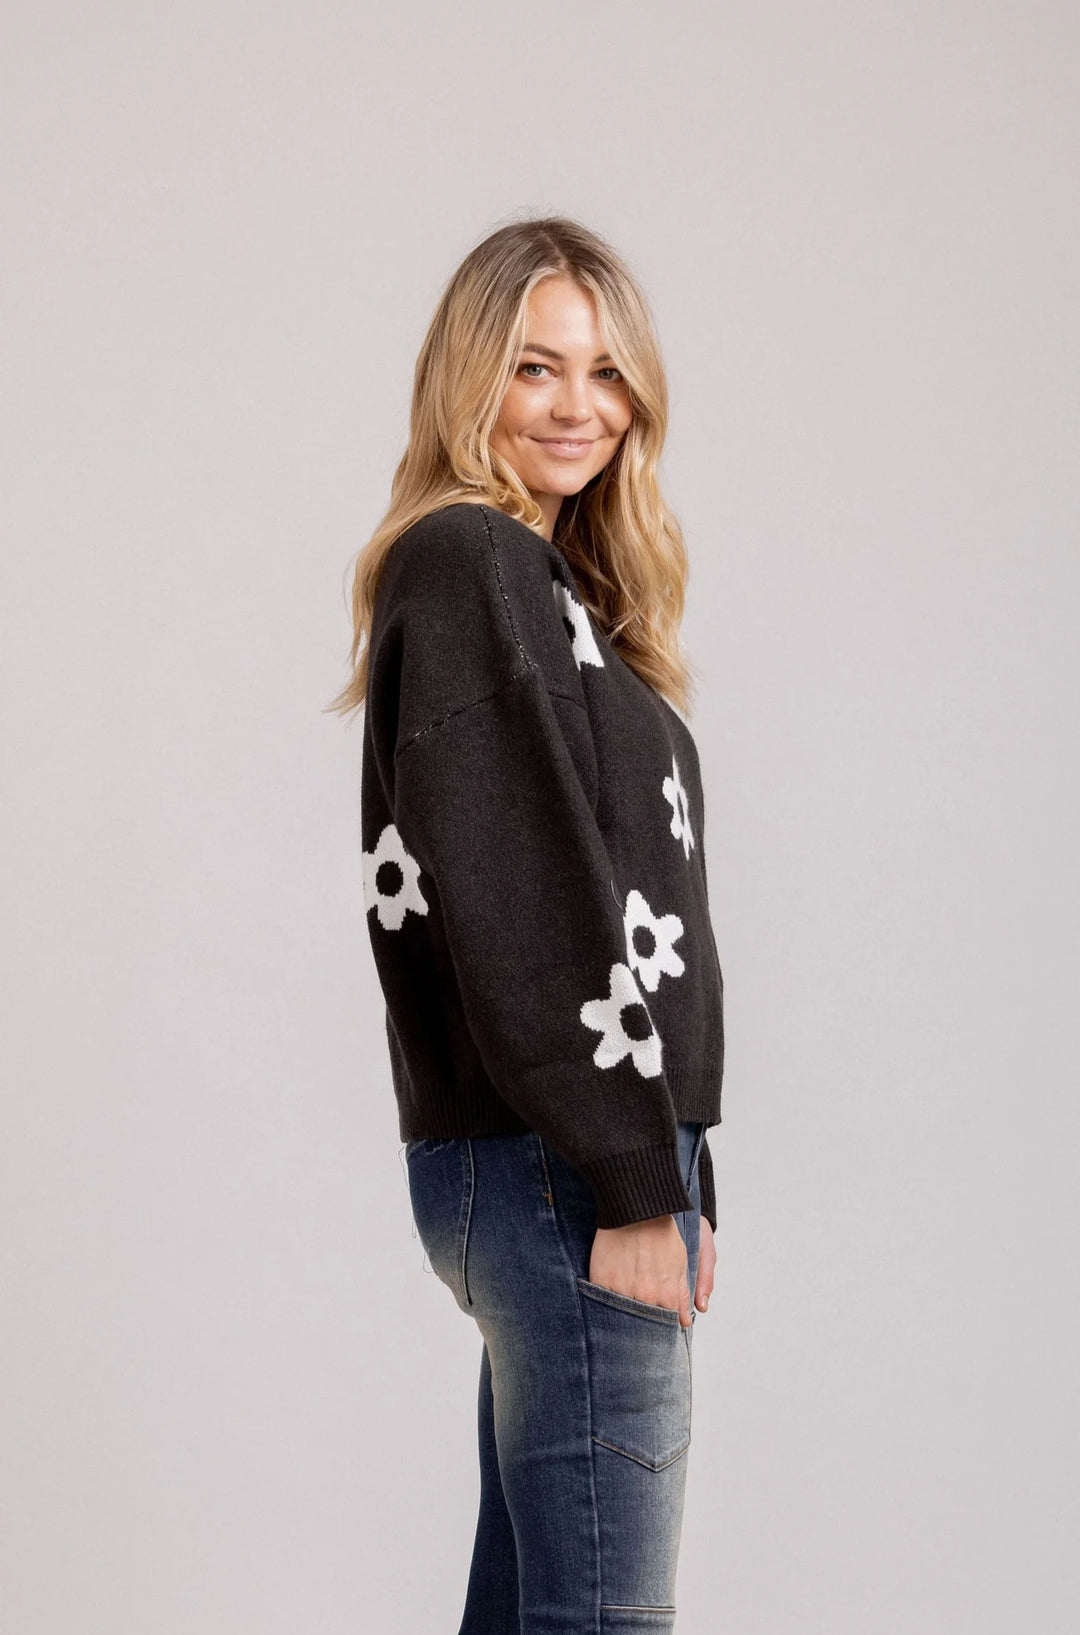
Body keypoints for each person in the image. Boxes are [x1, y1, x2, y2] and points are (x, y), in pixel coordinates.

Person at [328, 215, 726, 1633]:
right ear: (469, 380)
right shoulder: (472, 560)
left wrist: (678, 1172)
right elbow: (529, 896)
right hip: (563, 1156)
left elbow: (614, 898)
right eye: (535, 367)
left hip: (574, 1153)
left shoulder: (550, 594)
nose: (578, 407)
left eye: (607, 373)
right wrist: (633, 1176)